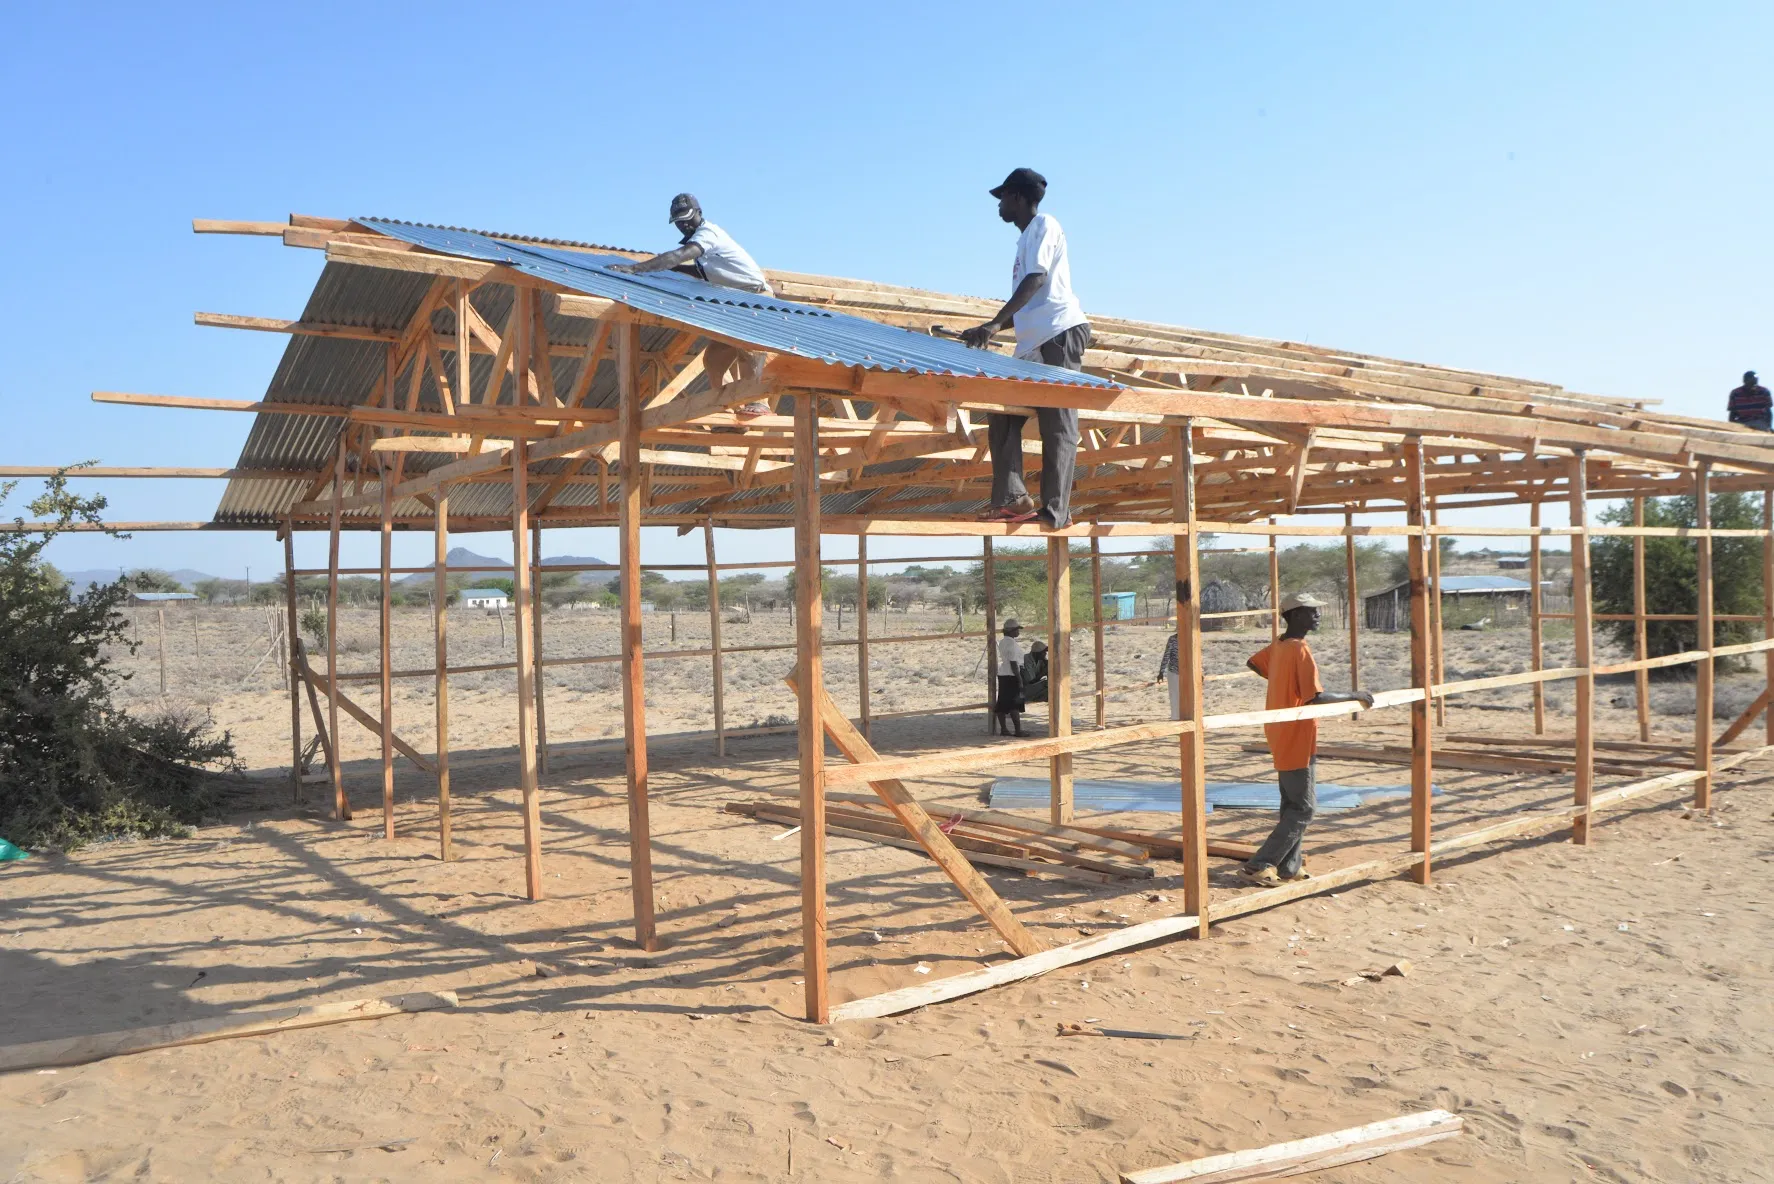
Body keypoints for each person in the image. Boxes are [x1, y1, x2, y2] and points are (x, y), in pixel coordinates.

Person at [961, 168, 1091, 528]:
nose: (999, 204)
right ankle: (1013, 498)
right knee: (1002, 411)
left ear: (1018, 198)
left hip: (1060, 333)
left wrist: (993, 323)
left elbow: (1037, 280)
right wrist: (989, 328)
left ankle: (1056, 511)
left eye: (1003, 197)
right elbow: (1027, 301)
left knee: (1058, 424)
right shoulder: (1024, 241)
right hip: (1033, 339)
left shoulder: (1045, 225)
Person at [1239, 592, 1374, 886]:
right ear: (1296, 614)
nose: (1318, 616)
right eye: (1312, 612)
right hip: (1297, 734)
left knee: (1291, 802)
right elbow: (1316, 697)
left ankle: (1289, 866)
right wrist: (1356, 695)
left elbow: (1254, 663)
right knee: (1304, 808)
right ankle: (1260, 864)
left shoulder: (1279, 644)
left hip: (1279, 730)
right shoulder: (1299, 649)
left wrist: (1282, 684)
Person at [607, 193, 773, 416]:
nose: (684, 225)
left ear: (699, 214)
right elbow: (702, 272)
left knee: (750, 350)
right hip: (734, 303)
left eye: (687, 218)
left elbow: (681, 255)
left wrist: (637, 269)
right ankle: (727, 409)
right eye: (678, 222)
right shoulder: (701, 243)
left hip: (755, 298)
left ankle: (759, 401)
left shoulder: (708, 233)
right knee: (714, 360)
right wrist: (672, 269)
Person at [995, 619, 1028, 736]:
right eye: (1016, 629)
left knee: (1002, 702)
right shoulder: (1012, 644)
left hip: (1003, 673)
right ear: (1011, 631)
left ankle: (1004, 729)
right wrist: (1019, 679)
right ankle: (1018, 730)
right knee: (1015, 703)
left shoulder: (1003, 642)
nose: (1018, 631)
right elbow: (1014, 663)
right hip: (1012, 674)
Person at [1157, 620, 1180, 720]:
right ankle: (1175, 718)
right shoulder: (1173, 639)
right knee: (1174, 695)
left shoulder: (1190, 639)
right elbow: (1167, 656)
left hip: (1187, 673)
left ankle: (1183, 717)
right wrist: (1161, 672)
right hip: (1174, 672)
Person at [1020, 639, 1050, 703]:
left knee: (1052, 686)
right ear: (1037, 653)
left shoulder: (1039, 660)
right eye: (1043, 652)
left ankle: (1038, 697)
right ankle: (1032, 698)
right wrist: (1044, 672)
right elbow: (1031, 681)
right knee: (1048, 686)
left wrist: (1046, 663)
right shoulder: (1027, 659)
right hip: (1025, 689)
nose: (1045, 654)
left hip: (1032, 687)